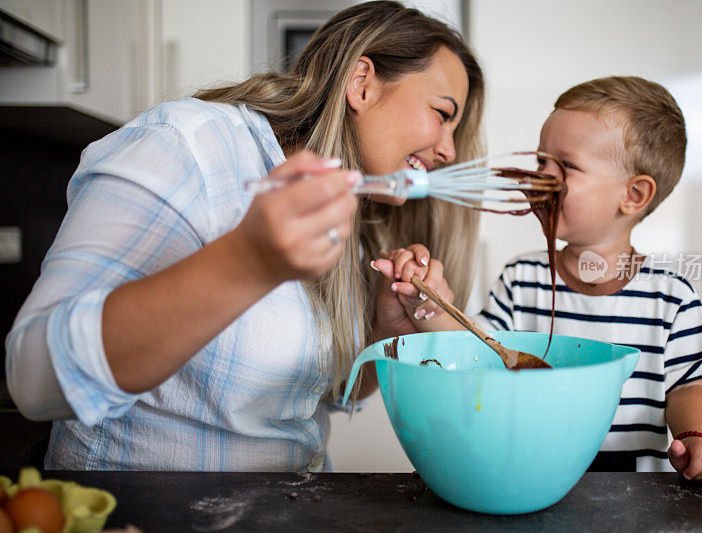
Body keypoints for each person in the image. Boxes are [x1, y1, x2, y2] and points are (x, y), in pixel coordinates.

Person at [5, 0, 485, 471]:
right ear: (362, 84)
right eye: (443, 114)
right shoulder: (188, 145)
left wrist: (381, 335)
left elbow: (318, 397)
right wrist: (248, 262)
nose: (448, 151)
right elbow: (35, 378)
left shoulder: (348, 214)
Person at [375, 76, 702, 490]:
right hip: (530, 478)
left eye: (566, 166)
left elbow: (687, 389)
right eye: (541, 161)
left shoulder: (670, 298)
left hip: (633, 497)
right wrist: (428, 302)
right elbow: (481, 349)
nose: (540, 176)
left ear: (633, 195)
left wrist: (697, 440)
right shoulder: (522, 280)